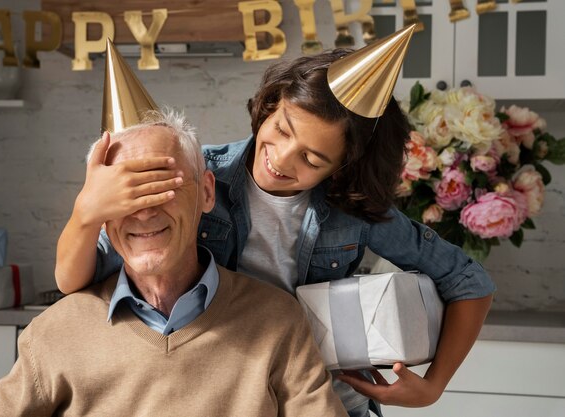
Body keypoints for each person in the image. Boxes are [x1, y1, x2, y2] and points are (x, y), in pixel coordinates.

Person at [55, 48, 495, 416]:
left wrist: (434, 385)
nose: (283, 160)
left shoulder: (353, 213)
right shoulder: (199, 175)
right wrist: (86, 212)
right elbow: (75, 278)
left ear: (342, 166)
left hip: (326, 401)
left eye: (312, 159)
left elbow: (469, 282)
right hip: (230, 400)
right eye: (282, 130)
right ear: (269, 105)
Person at [0, 112, 348, 417]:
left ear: (205, 192)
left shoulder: (277, 320)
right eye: (123, 195)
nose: (145, 211)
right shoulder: (54, 333)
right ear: (100, 214)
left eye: (162, 186)